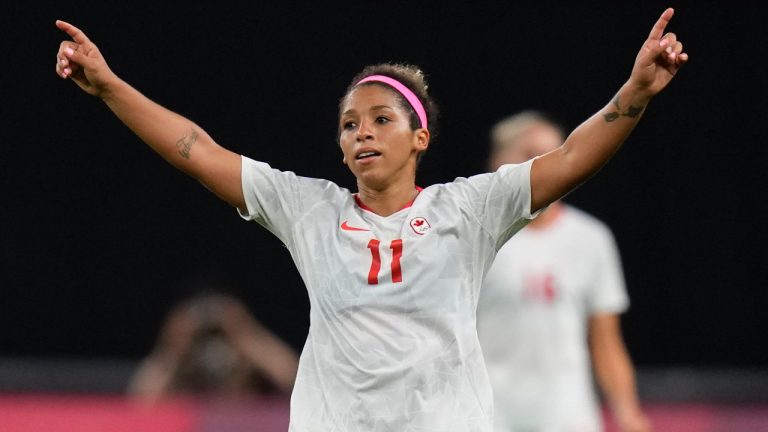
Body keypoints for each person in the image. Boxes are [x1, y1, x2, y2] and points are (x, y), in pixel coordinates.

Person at [54, 8, 686, 431]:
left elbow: (573, 158)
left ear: (421, 138)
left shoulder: (468, 209)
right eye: (350, 124)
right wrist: (109, 86)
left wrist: (634, 93)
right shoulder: (308, 209)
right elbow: (196, 149)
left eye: (382, 119)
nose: (362, 133)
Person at [477, 111, 651, 432]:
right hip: (491, 414)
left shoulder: (590, 239)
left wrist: (628, 414)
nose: (542, 166)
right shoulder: (476, 239)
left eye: (552, 155)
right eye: (529, 155)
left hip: (568, 415)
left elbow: (605, 339)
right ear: (498, 162)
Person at [127, 291, 299, 404]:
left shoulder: (244, 346)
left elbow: (290, 377)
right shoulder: (180, 360)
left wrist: (244, 333)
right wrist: (175, 347)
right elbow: (141, 401)